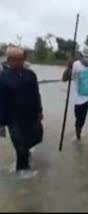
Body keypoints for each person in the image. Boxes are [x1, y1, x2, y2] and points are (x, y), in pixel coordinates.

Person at [0, 47, 43, 175]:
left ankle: (25, 160)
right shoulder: (3, 78)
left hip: (30, 115)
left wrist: (39, 111)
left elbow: (36, 94)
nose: (19, 62)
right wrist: (1, 124)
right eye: (15, 60)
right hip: (13, 119)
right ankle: (23, 175)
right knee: (20, 147)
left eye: (21, 59)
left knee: (36, 138)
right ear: (8, 60)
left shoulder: (31, 74)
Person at [62, 47, 88, 144]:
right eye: (86, 57)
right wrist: (68, 67)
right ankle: (78, 137)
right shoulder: (75, 65)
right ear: (81, 56)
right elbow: (64, 79)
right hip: (80, 100)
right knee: (80, 121)